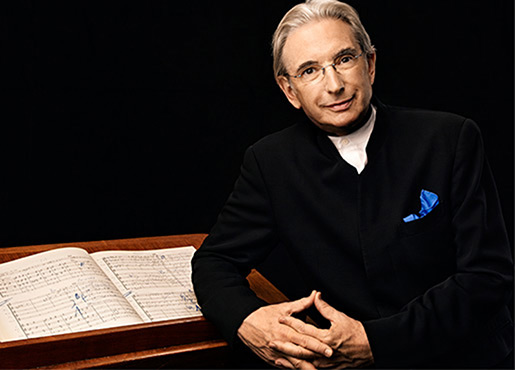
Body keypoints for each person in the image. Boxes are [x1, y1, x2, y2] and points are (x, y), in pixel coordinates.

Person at [191, 0, 514, 368]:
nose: (334, 85)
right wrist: (249, 320)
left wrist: (375, 341)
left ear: (370, 65)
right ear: (289, 91)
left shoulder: (450, 138)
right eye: (310, 70)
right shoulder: (270, 163)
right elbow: (214, 262)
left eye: (344, 59)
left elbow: (487, 277)